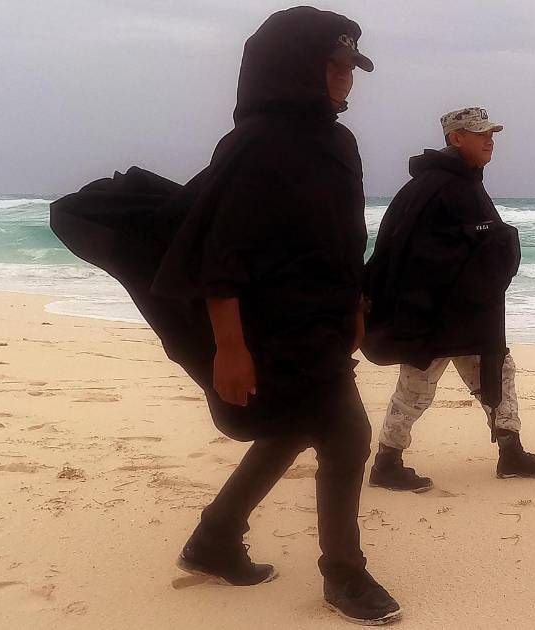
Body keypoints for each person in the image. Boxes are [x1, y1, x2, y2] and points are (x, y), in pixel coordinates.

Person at [50, 7, 399, 625]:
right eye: (334, 65)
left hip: (321, 321)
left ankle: (215, 539)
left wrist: (355, 304)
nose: (346, 77)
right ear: (291, 68)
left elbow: (344, 236)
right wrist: (229, 348)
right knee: (347, 436)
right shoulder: (255, 144)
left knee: (293, 427)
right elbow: (220, 251)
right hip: (269, 326)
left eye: (350, 66)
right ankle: (343, 573)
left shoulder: (339, 142)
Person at [362, 107, 535, 492]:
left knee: (496, 373)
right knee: (418, 385)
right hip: (436, 314)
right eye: (480, 133)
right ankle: (386, 462)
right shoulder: (442, 187)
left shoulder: (456, 182)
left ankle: (510, 452)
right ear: (456, 138)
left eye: (491, 133)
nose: (490, 140)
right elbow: (414, 254)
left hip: (462, 313)